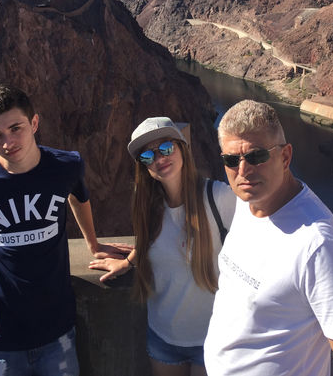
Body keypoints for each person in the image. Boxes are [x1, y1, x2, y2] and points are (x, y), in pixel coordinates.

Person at [0, 84, 129, 376]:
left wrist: (93, 244)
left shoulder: (66, 167)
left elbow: (78, 197)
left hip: (57, 331)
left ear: (34, 123)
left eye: (16, 128)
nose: (8, 142)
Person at [204, 100, 333, 376]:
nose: (243, 170)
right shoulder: (247, 203)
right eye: (231, 160)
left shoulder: (319, 245)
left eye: (256, 156)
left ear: (285, 157)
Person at [89, 116, 235, 376]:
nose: (159, 158)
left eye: (166, 148)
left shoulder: (218, 198)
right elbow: (151, 242)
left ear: (182, 149)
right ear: (144, 167)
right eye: (147, 155)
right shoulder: (150, 207)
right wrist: (128, 262)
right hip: (162, 337)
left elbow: (262, 229)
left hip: (212, 338)